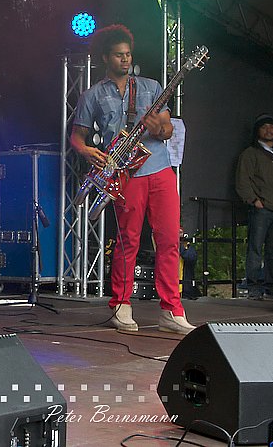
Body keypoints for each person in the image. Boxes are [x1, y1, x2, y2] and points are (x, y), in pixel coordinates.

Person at [70, 24, 195, 335]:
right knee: (128, 241)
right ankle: (121, 305)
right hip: (125, 173)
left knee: (169, 239)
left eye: (127, 54)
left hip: (160, 168)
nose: (125, 59)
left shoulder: (151, 87)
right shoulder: (92, 95)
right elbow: (76, 137)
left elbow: (167, 130)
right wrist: (87, 151)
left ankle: (171, 309)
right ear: (105, 58)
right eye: (118, 55)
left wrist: (158, 129)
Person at [235, 114, 273, 300]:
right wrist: (254, 200)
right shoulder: (251, 153)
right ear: (257, 131)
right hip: (262, 209)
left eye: (272, 127)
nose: (269, 130)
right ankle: (254, 287)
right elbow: (242, 179)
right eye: (264, 127)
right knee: (255, 248)